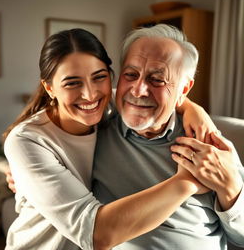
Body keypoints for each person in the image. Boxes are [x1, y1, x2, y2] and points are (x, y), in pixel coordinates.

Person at [3, 28, 216, 250]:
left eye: (99, 77)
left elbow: (153, 93)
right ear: (50, 88)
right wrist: (188, 181)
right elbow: (96, 234)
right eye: (72, 83)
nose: (90, 94)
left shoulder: (109, 106)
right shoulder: (28, 140)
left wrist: (193, 109)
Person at [92, 24, 244, 249]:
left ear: (184, 89)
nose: (138, 90)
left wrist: (230, 188)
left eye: (157, 80)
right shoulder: (94, 128)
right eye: (131, 75)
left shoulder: (209, 142)